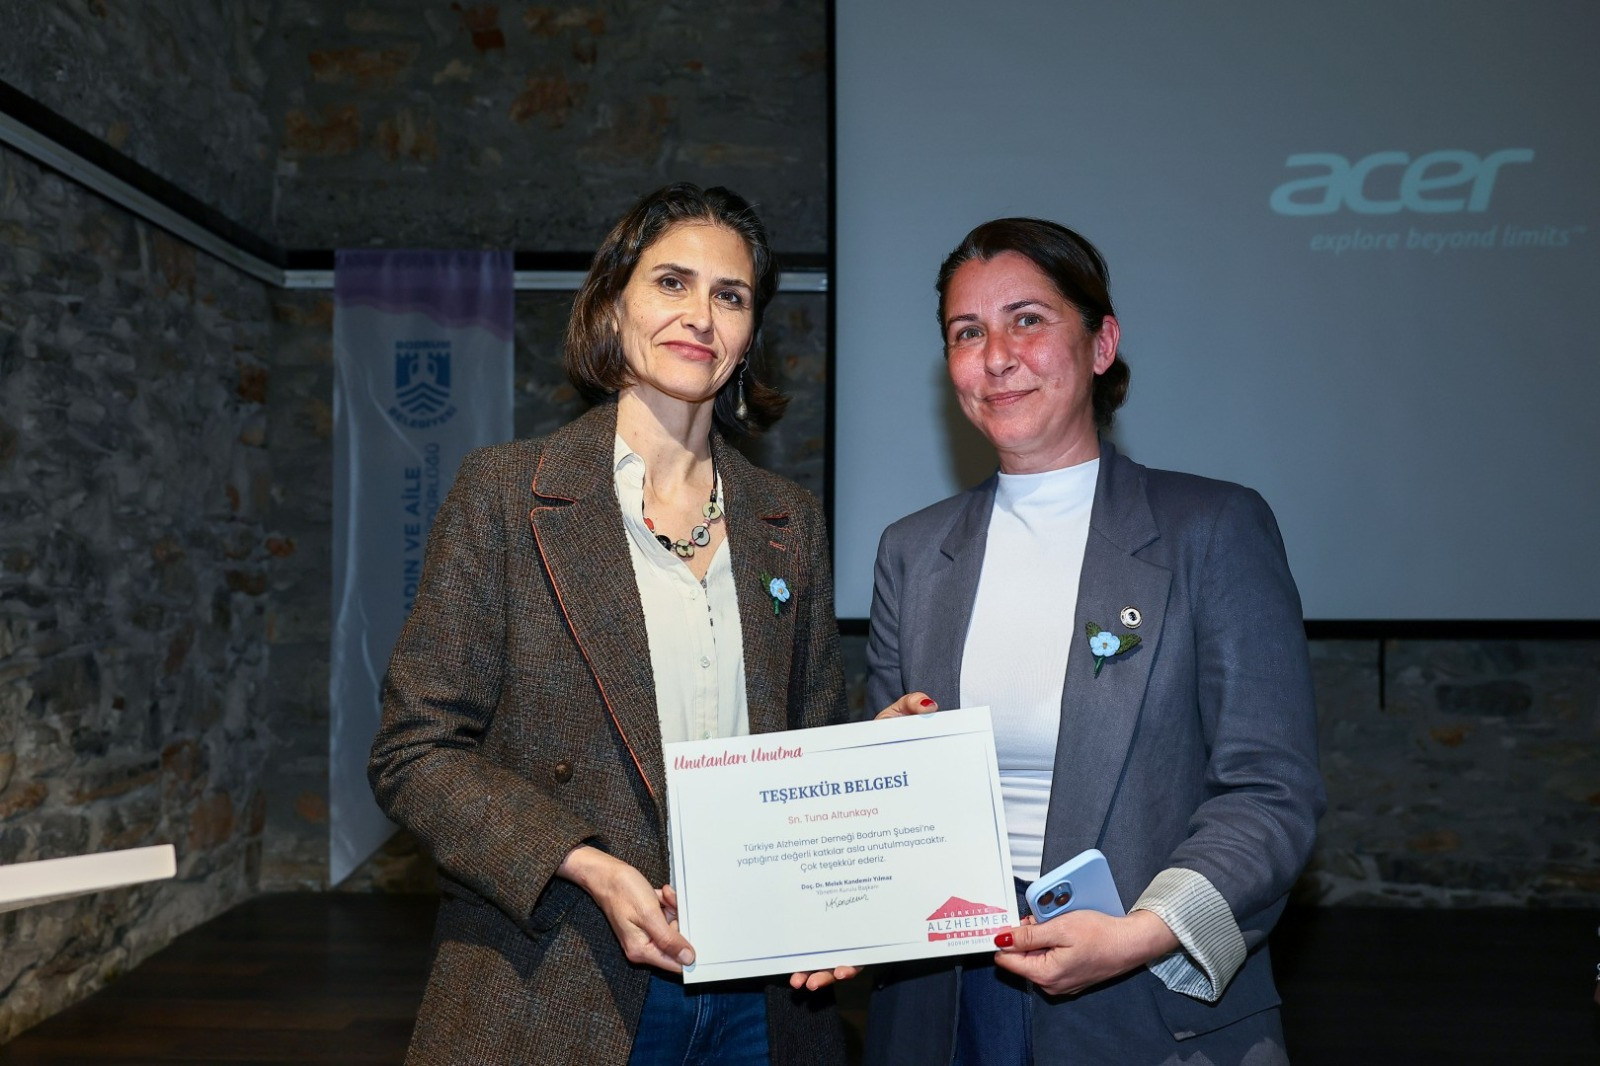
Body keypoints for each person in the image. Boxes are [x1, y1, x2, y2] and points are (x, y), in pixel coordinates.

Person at [368, 183, 850, 1066]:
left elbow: (810, 747)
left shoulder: (791, 522)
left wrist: (878, 771)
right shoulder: (505, 495)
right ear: (612, 306)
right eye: (671, 282)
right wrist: (582, 860)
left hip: (764, 996)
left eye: (730, 295)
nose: (700, 315)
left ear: (748, 336)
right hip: (559, 972)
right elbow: (414, 752)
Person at [860, 218, 1324, 1065]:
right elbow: (890, 802)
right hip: (941, 1003)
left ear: (1102, 344)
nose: (998, 356)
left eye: (1028, 320)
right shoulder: (912, 552)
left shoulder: (1211, 528)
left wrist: (1143, 933)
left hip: (1142, 1001)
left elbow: (1269, 792)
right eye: (967, 332)